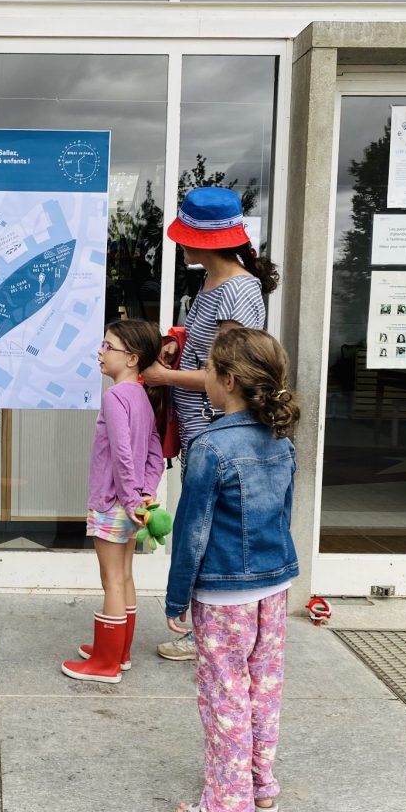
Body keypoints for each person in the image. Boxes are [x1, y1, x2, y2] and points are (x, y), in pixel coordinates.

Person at [164, 327, 299, 812]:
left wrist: (177, 596)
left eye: (207, 369)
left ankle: (228, 811)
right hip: (274, 583)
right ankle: (260, 787)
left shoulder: (211, 447)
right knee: (263, 688)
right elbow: (284, 515)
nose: (202, 377)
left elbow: (192, 530)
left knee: (225, 696)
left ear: (228, 380)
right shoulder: (280, 439)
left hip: (224, 594)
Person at [142, 186, 279, 663]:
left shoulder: (238, 291)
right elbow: (206, 353)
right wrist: (175, 347)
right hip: (200, 425)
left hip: (215, 428)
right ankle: (208, 628)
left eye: (185, 236)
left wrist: (163, 376)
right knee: (204, 524)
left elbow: (227, 373)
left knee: (209, 529)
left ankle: (209, 631)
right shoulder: (211, 283)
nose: (180, 244)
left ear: (204, 241)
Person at [61, 319, 164, 683]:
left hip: (112, 502)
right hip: (133, 503)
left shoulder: (115, 396)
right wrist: (146, 493)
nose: (100, 352)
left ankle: (105, 664)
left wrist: (131, 498)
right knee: (125, 575)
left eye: (108, 346)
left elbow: (121, 454)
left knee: (112, 580)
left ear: (132, 358)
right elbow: (155, 452)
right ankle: (120, 652)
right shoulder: (142, 397)